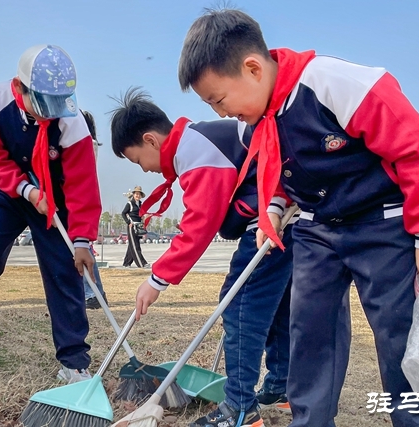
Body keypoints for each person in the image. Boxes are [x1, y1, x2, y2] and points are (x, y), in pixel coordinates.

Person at [178, 9, 419, 427]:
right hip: (316, 228)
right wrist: (274, 208)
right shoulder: (261, 117)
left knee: (401, 336)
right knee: (310, 335)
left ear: (252, 68)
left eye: (219, 100)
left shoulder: (335, 83)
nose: (221, 112)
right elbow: (278, 168)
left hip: (383, 224)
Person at [110, 88, 295, 427]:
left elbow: (199, 225)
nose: (146, 170)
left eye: (138, 160)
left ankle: (240, 408)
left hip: (272, 219)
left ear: (151, 141)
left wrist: (157, 280)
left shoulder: (195, 149)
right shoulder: (199, 139)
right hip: (287, 214)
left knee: (240, 304)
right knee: (276, 305)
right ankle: (282, 386)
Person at [0, 45, 101, 384]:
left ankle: (74, 362)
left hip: (55, 201)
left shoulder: (73, 122)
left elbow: (83, 186)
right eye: (43, 104)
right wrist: (27, 190)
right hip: (10, 191)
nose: (49, 114)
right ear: (20, 86)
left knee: (63, 272)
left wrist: (82, 240)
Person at [79, 109, 108, 309]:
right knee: (80, 249)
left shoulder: (86, 143)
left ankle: (93, 293)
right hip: (83, 197)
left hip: (81, 200)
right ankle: (92, 293)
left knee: (82, 249)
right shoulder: (90, 143)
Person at [121, 186, 149, 268]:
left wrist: (144, 218)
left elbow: (141, 214)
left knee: (132, 245)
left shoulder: (140, 204)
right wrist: (128, 222)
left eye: (139, 194)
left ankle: (126, 263)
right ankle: (142, 263)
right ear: (133, 194)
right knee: (135, 245)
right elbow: (123, 213)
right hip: (132, 226)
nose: (138, 196)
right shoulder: (129, 203)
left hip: (139, 226)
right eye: (136, 194)